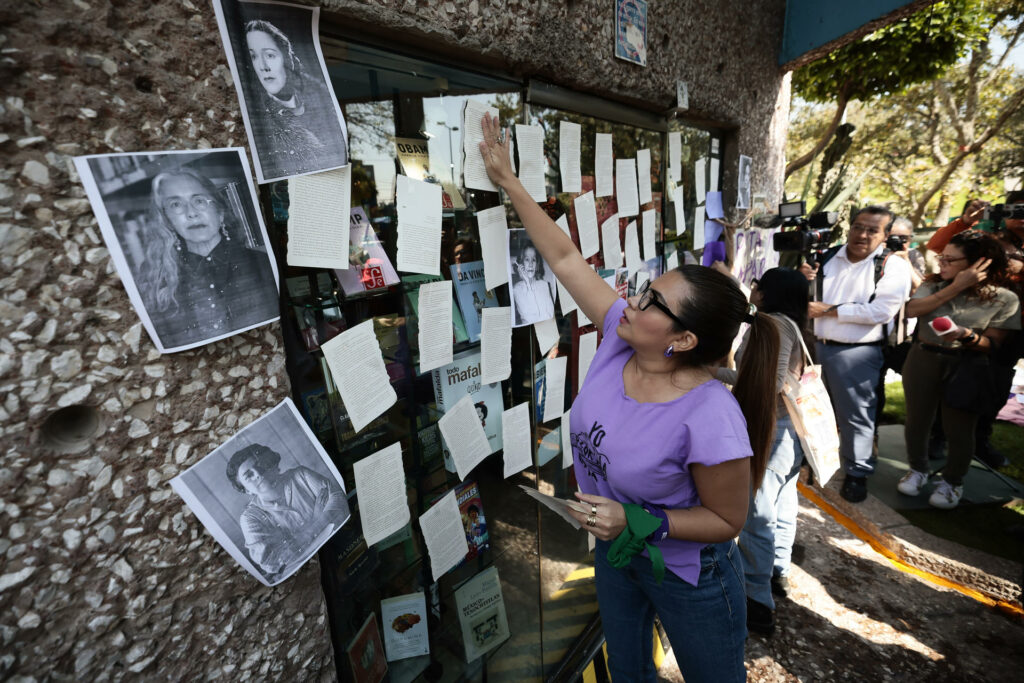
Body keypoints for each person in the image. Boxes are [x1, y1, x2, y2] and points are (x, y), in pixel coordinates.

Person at [478, 112, 781, 682]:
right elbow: (568, 261)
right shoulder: (623, 338)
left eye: (650, 302)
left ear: (683, 340)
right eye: (644, 289)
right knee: (628, 670)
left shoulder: (710, 415)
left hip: (688, 569)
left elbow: (726, 519)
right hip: (620, 556)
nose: (631, 299)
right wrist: (510, 182)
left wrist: (641, 521)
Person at [896, 231, 1021, 509]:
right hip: (923, 357)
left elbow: (994, 343)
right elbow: (913, 310)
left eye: (950, 260)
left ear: (978, 263)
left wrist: (967, 336)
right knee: (917, 421)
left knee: (960, 428)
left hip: (966, 364)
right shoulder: (934, 284)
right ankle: (917, 469)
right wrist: (954, 286)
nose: (942, 263)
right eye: (942, 257)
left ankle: (953, 481)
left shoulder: (1005, 299)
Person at [715, 268, 808, 637]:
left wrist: (712, 374)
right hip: (789, 431)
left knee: (758, 513)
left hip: (773, 430)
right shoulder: (791, 323)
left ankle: (757, 601)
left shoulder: (774, 325)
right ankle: (776, 574)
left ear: (769, 293)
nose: (752, 290)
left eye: (757, 285)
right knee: (782, 504)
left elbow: (767, 383)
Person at [799, 207, 913, 503]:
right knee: (813, 407)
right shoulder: (828, 256)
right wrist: (803, 279)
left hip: (857, 353)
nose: (862, 235)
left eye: (872, 230)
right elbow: (807, 298)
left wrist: (830, 310)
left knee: (856, 416)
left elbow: (881, 311)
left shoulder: (892, 266)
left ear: (886, 236)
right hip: (815, 344)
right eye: (858, 227)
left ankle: (857, 473)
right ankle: (812, 458)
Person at [137, 168, 279, 348]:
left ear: (220, 213)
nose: (191, 213)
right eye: (175, 205)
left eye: (199, 201)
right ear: (167, 221)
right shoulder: (158, 283)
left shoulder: (262, 265)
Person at [243, 19, 347, 178]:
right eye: (254, 57)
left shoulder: (322, 102)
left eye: (270, 55)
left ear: (286, 59)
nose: (263, 66)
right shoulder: (261, 120)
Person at [226, 443, 348, 576]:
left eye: (259, 465)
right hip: (303, 573)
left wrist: (299, 539)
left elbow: (340, 500)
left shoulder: (301, 475)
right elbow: (273, 562)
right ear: (245, 489)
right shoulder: (250, 517)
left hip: (339, 544)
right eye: (248, 475)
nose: (257, 474)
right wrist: (317, 521)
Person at [511, 242, 556, 324]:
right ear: (521, 263)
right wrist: (527, 284)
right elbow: (532, 319)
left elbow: (551, 316)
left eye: (534, 260)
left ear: (537, 265)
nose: (531, 264)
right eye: (527, 259)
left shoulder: (544, 285)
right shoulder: (517, 289)